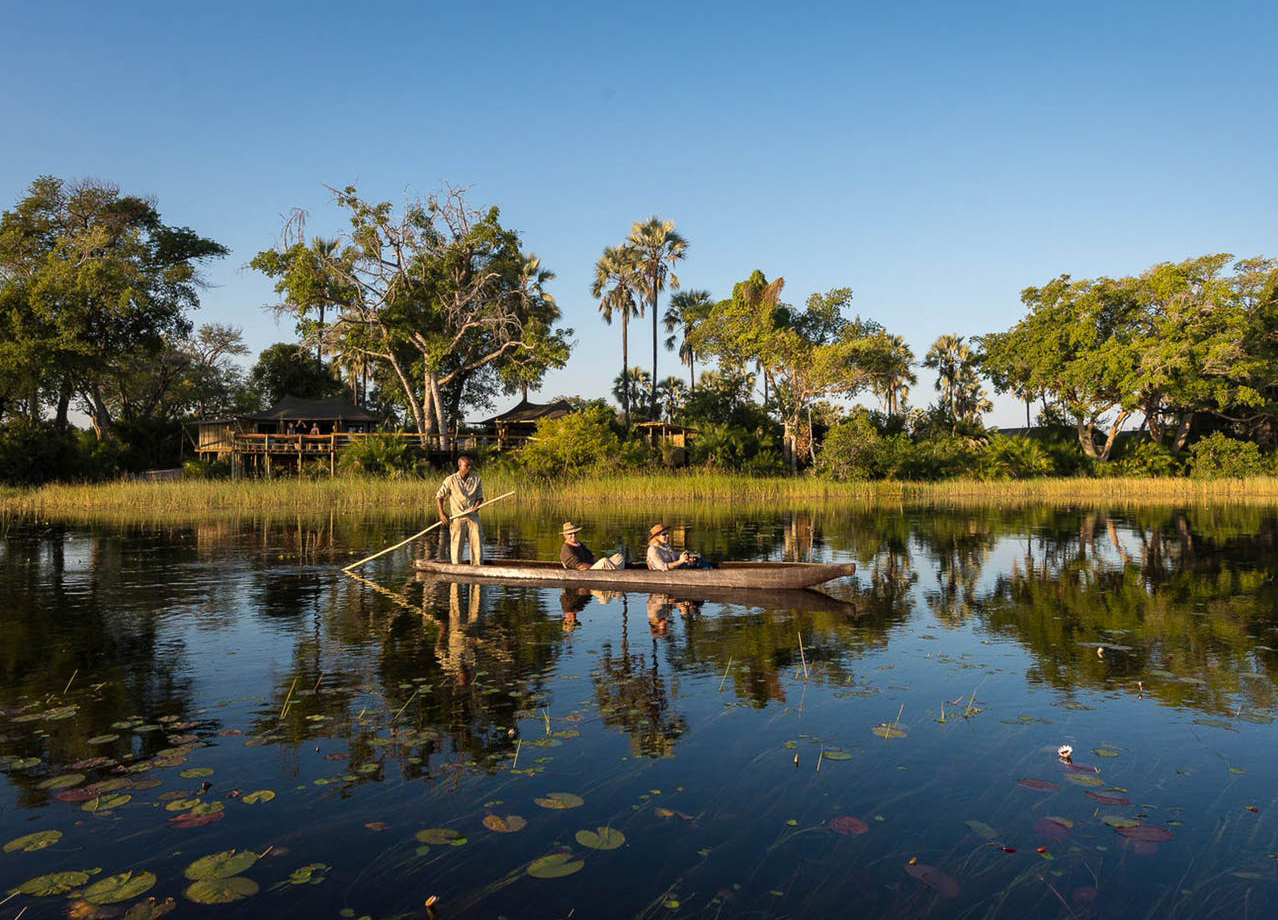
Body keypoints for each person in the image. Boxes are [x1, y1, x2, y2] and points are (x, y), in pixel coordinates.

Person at [435, 455, 483, 565]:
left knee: (477, 545)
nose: (469, 468)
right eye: (466, 466)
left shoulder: (476, 479)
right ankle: (456, 566)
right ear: (460, 466)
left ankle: (477, 566)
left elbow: (480, 497)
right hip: (457, 517)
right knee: (456, 546)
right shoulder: (450, 480)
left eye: (470, 465)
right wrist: (441, 513)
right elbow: (439, 496)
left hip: (472, 517)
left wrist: (477, 505)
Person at [645, 523, 712, 570]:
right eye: (664, 534)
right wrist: (680, 561)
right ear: (656, 537)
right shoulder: (653, 550)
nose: (667, 536)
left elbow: (677, 557)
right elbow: (663, 567)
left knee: (697, 556)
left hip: (675, 570)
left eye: (667, 533)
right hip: (666, 575)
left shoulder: (666, 546)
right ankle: (712, 574)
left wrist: (686, 558)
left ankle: (711, 572)